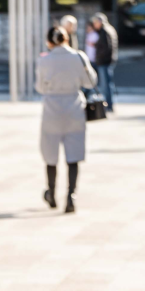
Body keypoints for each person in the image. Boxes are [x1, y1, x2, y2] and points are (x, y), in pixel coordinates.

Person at [37, 26, 96, 214]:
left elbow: (40, 87)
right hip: (74, 108)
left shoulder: (44, 60)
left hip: (52, 109)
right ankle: (71, 195)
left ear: (50, 41)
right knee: (73, 156)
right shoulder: (78, 57)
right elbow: (90, 82)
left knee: (50, 155)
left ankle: (51, 193)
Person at [90, 12, 118, 112]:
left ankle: (108, 105)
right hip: (106, 61)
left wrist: (99, 57)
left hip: (104, 62)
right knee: (107, 84)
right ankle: (109, 104)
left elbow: (106, 48)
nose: (94, 25)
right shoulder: (107, 30)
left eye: (95, 22)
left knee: (105, 85)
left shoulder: (105, 31)